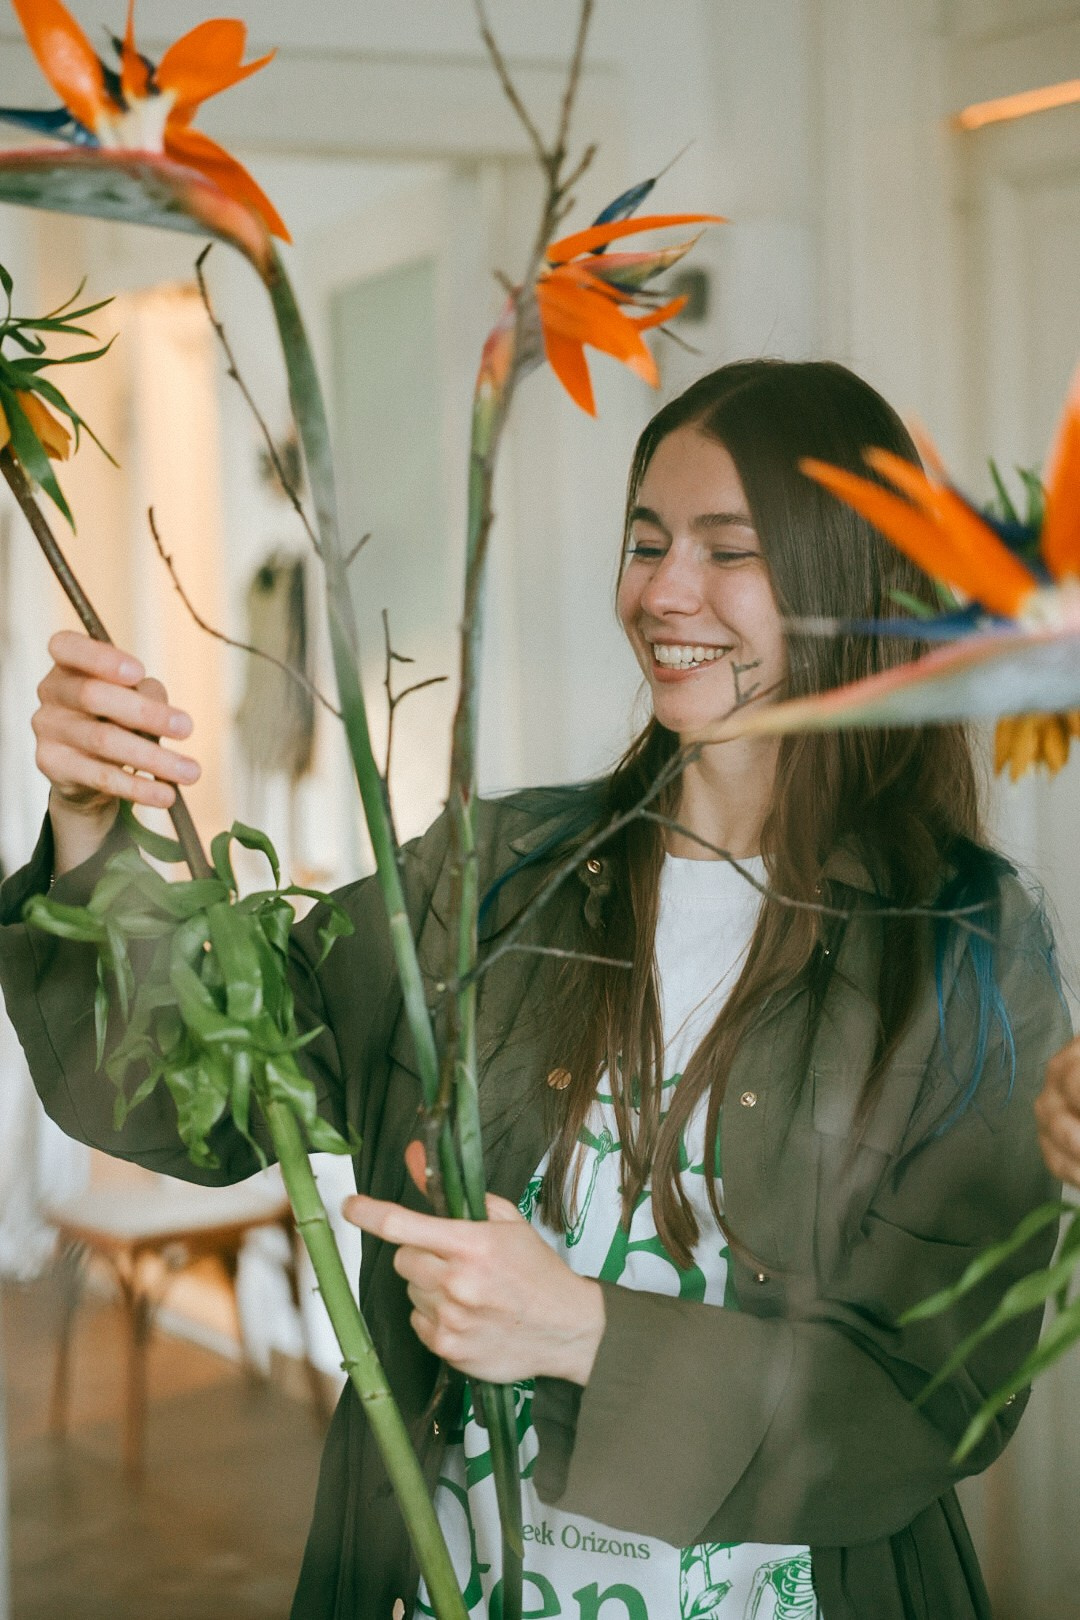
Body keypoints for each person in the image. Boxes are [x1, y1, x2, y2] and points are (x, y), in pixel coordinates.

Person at [0, 359, 1068, 1620]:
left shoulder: (964, 943)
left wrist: (584, 1336)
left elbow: (935, 1394)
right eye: (646, 539)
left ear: (848, 587)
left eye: (731, 552)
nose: (664, 592)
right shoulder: (491, 875)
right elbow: (204, 1089)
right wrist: (89, 828)